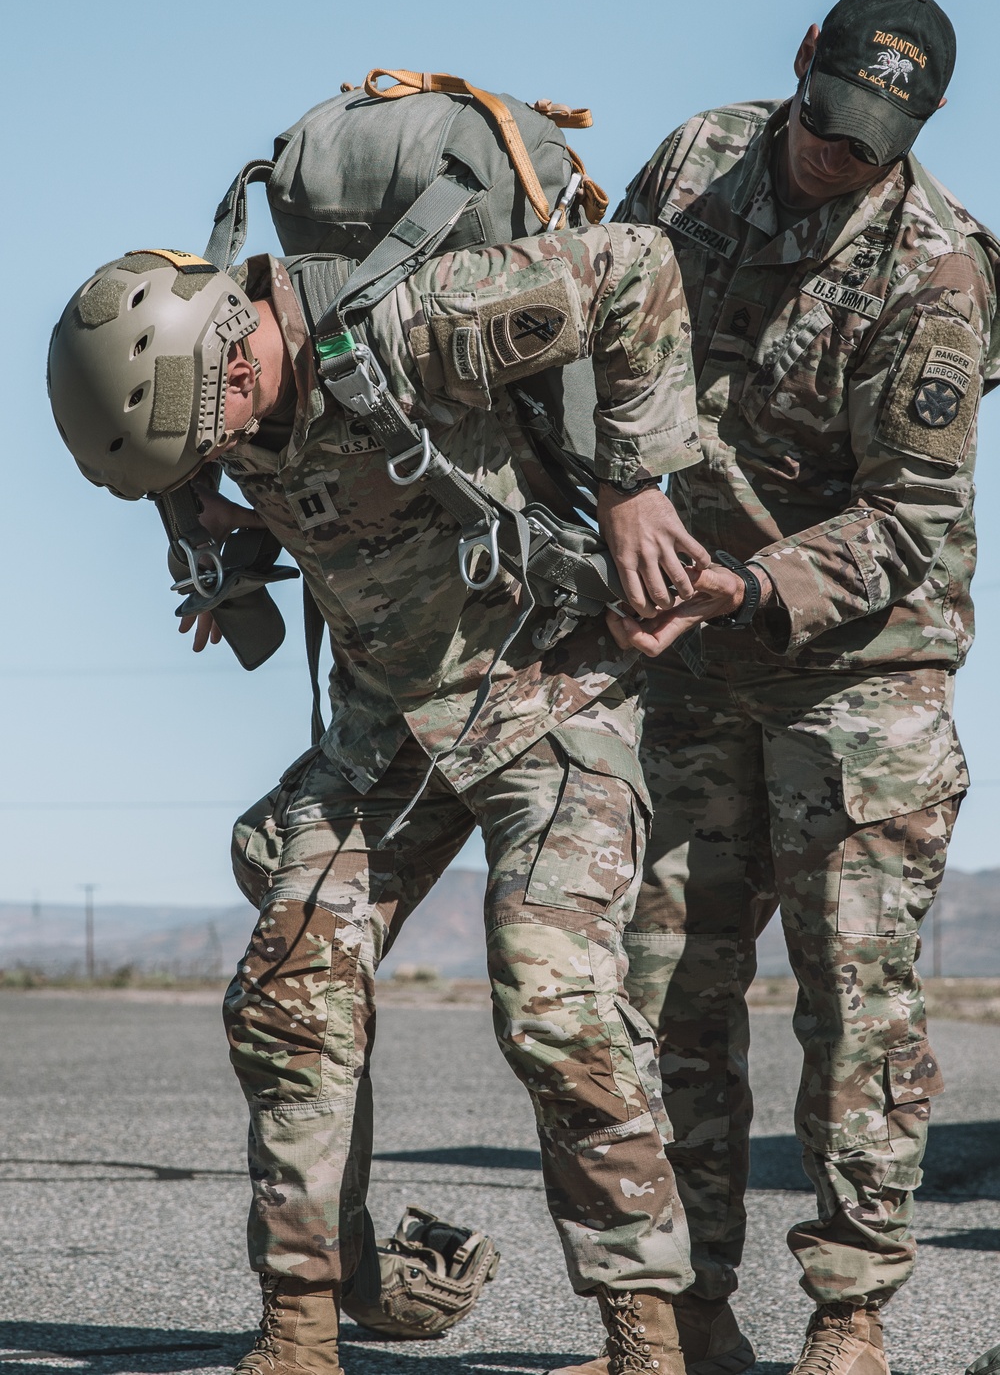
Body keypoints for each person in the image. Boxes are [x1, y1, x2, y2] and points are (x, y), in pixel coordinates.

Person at [48, 224, 740, 1375]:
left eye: (201, 448)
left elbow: (639, 268)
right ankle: (303, 1331)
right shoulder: (195, 390)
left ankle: (644, 1344)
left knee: (554, 1003)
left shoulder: (420, 324)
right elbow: (179, 460)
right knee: (285, 992)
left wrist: (634, 483)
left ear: (230, 359)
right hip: (391, 728)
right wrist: (208, 532)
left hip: (547, 692)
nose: (205, 467)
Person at [555, 0, 1000, 1375]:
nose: (832, 154)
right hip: (697, 651)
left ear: (915, 131)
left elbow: (910, 516)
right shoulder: (693, 160)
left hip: (861, 670)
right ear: (800, 63)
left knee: (853, 999)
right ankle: (690, 1318)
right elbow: (606, 335)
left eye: (868, 144)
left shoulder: (936, 271)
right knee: (667, 982)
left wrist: (753, 586)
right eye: (823, 121)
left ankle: (849, 1322)